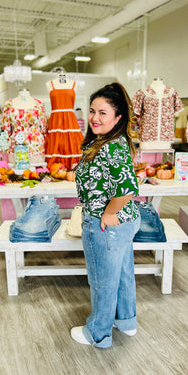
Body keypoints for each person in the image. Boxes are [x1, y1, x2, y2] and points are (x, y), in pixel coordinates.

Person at [71, 82, 141, 348]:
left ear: (117, 117)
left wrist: (110, 214)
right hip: (125, 221)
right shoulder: (114, 140)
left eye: (102, 113)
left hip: (108, 223)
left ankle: (98, 334)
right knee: (122, 274)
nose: (94, 118)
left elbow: (127, 188)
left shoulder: (110, 146)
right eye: (92, 111)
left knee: (102, 281)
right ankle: (126, 321)